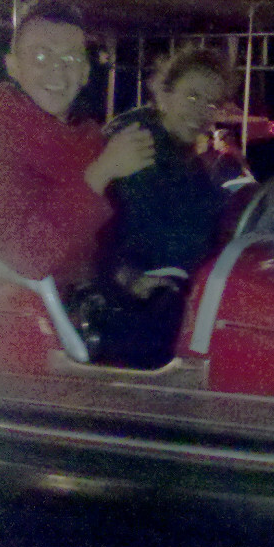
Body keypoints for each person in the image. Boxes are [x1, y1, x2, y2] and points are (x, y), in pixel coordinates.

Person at [0, 0, 155, 291]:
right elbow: (28, 255)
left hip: (88, 302)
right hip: (14, 311)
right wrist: (101, 172)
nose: (57, 71)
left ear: (85, 72)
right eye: (40, 56)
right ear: (13, 66)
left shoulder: (88, 141)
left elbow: (101, 243)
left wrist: (129, 276)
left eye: (70, 59)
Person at [88, 45, 237, 367]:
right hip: (133, 312)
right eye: (192, 96)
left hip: (171, 302)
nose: (202, 111)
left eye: (212, 103)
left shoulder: (188, 161)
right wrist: (127, 277)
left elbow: (211, 218)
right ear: (164, 94)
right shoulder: (135, 145)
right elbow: (97, 229)